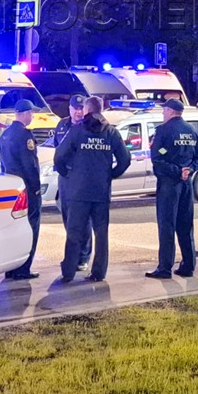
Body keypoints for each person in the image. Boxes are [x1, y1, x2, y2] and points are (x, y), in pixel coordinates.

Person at [52, 95, 130, 283]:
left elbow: (59, 156)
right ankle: (99, 272)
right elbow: (125, 159)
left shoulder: (77, 131)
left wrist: (67, 174)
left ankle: (68, 272)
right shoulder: (111, 132)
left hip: (78, 191)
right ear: (101, 110)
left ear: (86, 110)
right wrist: (110, 175)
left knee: (74, 232)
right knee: (101, 234)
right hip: (101, 191)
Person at [147, 97, 198, 279]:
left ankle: (165, 268)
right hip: (186, 185)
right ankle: (189, 265)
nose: (163, 114)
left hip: (169, 185)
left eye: (164, 110)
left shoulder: (162, 131)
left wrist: (177, 171)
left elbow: (157, 159)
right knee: (186, 225)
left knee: (167, 225)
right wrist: (189, 170)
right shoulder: (192, 131)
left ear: (170, 111)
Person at [0, 100, 43, 279]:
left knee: (13, 228)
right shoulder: (24, 135)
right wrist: (36, 188)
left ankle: (11, 268)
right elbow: (30, 165)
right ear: (24, 114)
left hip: (12, 187)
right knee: (31, 226)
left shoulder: (6, 134)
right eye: (31, 113)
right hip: (27, 189)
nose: (32, 116)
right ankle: (23, 268)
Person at [51, 95, 93, 271]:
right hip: (65, 178)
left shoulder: (90, 126)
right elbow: (57, 149)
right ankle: (72, 255)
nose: (78, 112)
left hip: (82, 178)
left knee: (83, 219)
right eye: (75, 108)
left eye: (81, 108)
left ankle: (83, 257)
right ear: (69, 109)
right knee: (68, 218)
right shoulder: (62, 125)